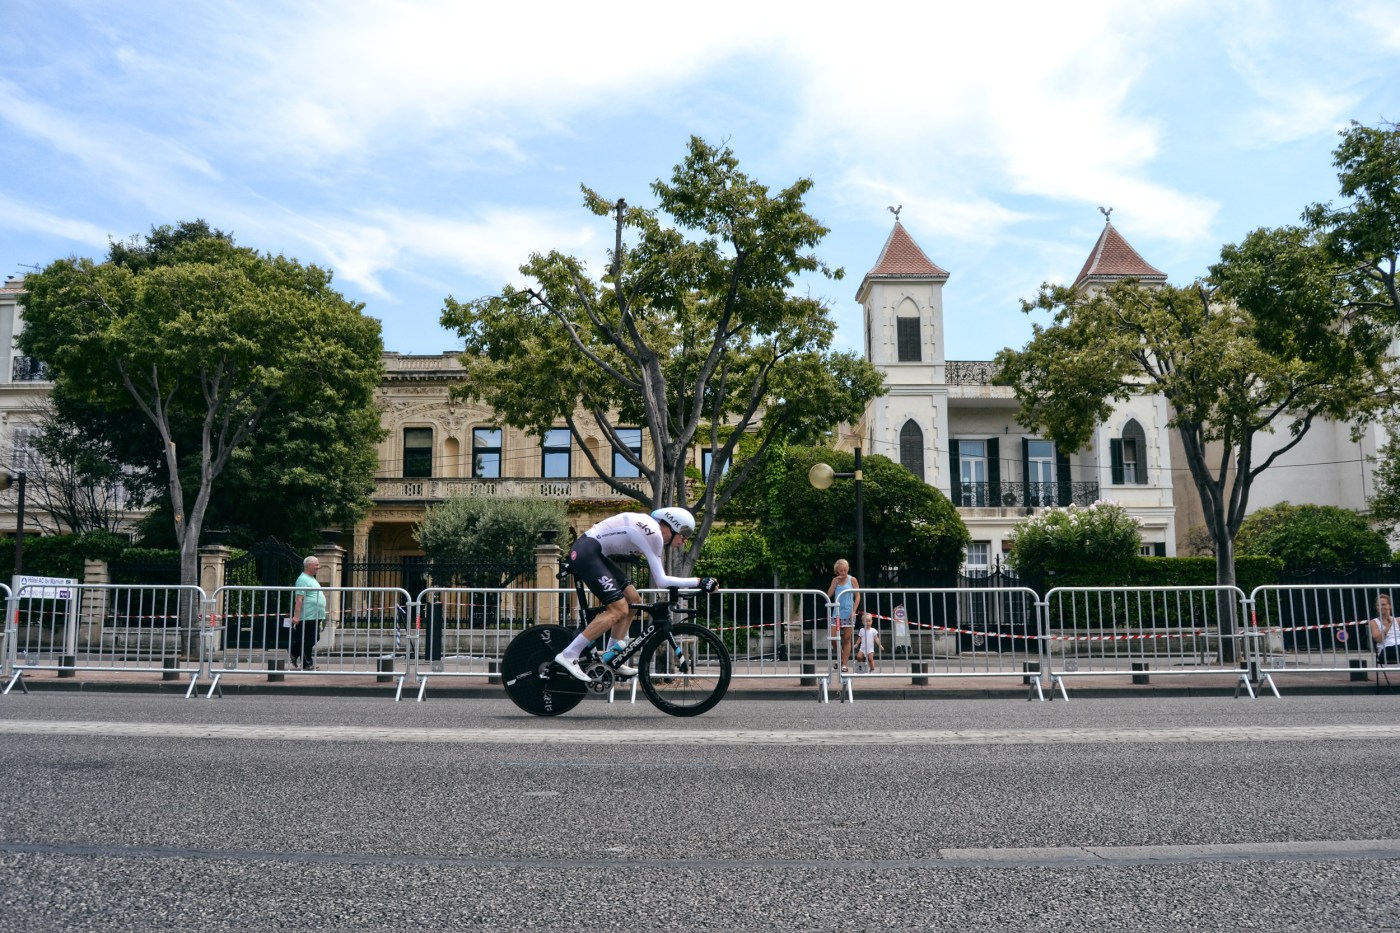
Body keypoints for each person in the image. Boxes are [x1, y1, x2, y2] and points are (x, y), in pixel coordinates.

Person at [554, 507, 719, 682]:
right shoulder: (654, 534)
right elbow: (662, 581)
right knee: (618, 610)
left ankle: (611, 657)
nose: (684, 541)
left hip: (593, 552)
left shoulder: (651, 530)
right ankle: (569, 654)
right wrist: (700, 581)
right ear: (672, 526)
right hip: (587, 553)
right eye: (683, 534)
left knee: (634, 600)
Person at [290, 555, 327, 671]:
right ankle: (306, 663)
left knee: (314, 637)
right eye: (316, 565)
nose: (318, 567)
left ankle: (294, 652)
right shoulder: (302, 579)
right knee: (308, 639)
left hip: (315, 615)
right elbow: (299, 599)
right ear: (309, 565)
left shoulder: (311, 578)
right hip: (307, 616)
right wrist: (296, 616)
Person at [826, 559, 859, 674]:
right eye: (841, 571)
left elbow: (857, 596)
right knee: (833, 637)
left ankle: (844, 664)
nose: (843, 573)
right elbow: (829, 594)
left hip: (849, 612)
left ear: (848, 569)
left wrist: (854, 610)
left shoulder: (852, 580)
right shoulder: (835, 580)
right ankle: (840, 657)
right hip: (837, 613)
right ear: (837, 571)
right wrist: (834, 584)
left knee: (847, 638)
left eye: (845, 570)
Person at [1367, 593, 1400, 666]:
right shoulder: (1374, 622)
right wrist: (1388, 625)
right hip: (1386, 650)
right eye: (1378, 605)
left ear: (1390, 606)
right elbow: (1378, 639)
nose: (1381, 607)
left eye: (1384, 604)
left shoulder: (1398, 620)